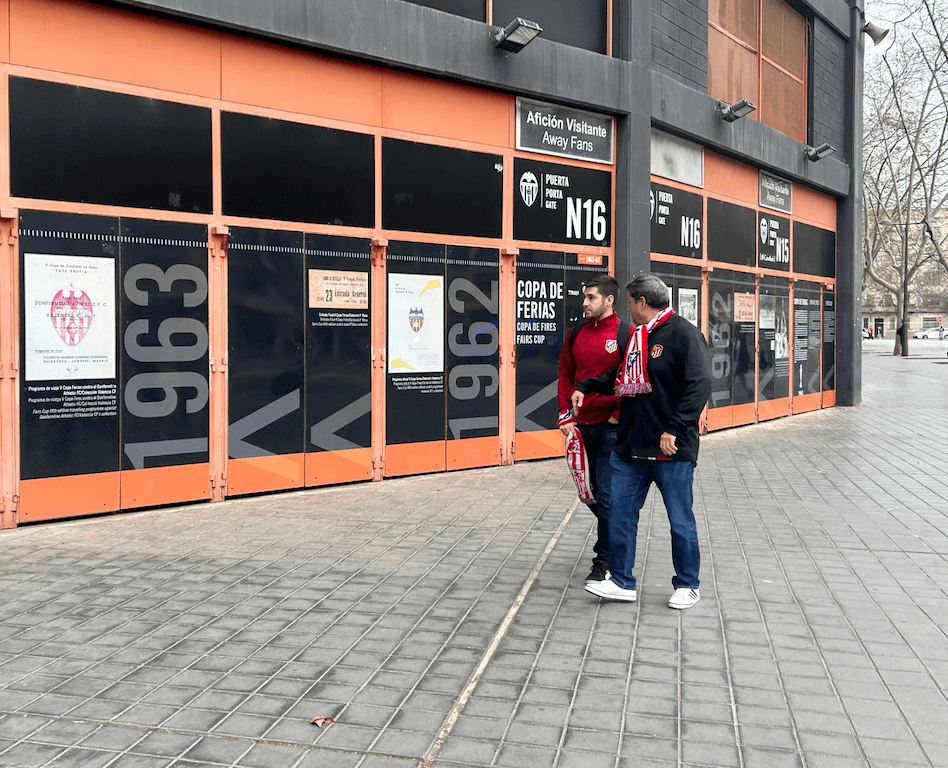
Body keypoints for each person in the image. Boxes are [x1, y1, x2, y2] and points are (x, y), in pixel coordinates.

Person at [572, 274, 712, 609]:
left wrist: (675, 429)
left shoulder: (683, 334)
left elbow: (700, 384)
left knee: (680, 520)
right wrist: (588, 385)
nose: (627, 308)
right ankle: (621, 580)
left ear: (641, 303)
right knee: (619, 513)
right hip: (631, 447)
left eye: (630, 301)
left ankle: (687, 584)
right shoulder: (637, 337)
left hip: (670, 449)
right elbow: (621, 376)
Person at [558, 274, 626, 585]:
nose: (584, 303)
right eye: (584, 297)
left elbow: (633, 380)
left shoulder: (627, 334)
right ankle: (623, 532)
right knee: (591, 495)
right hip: (579, 430)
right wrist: (565, 417)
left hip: (611, 427)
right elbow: (565, 376)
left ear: (609, 300)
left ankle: (604, 562)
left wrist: (616, 414)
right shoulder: (576, 335)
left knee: (608, 496)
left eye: (591, 298)